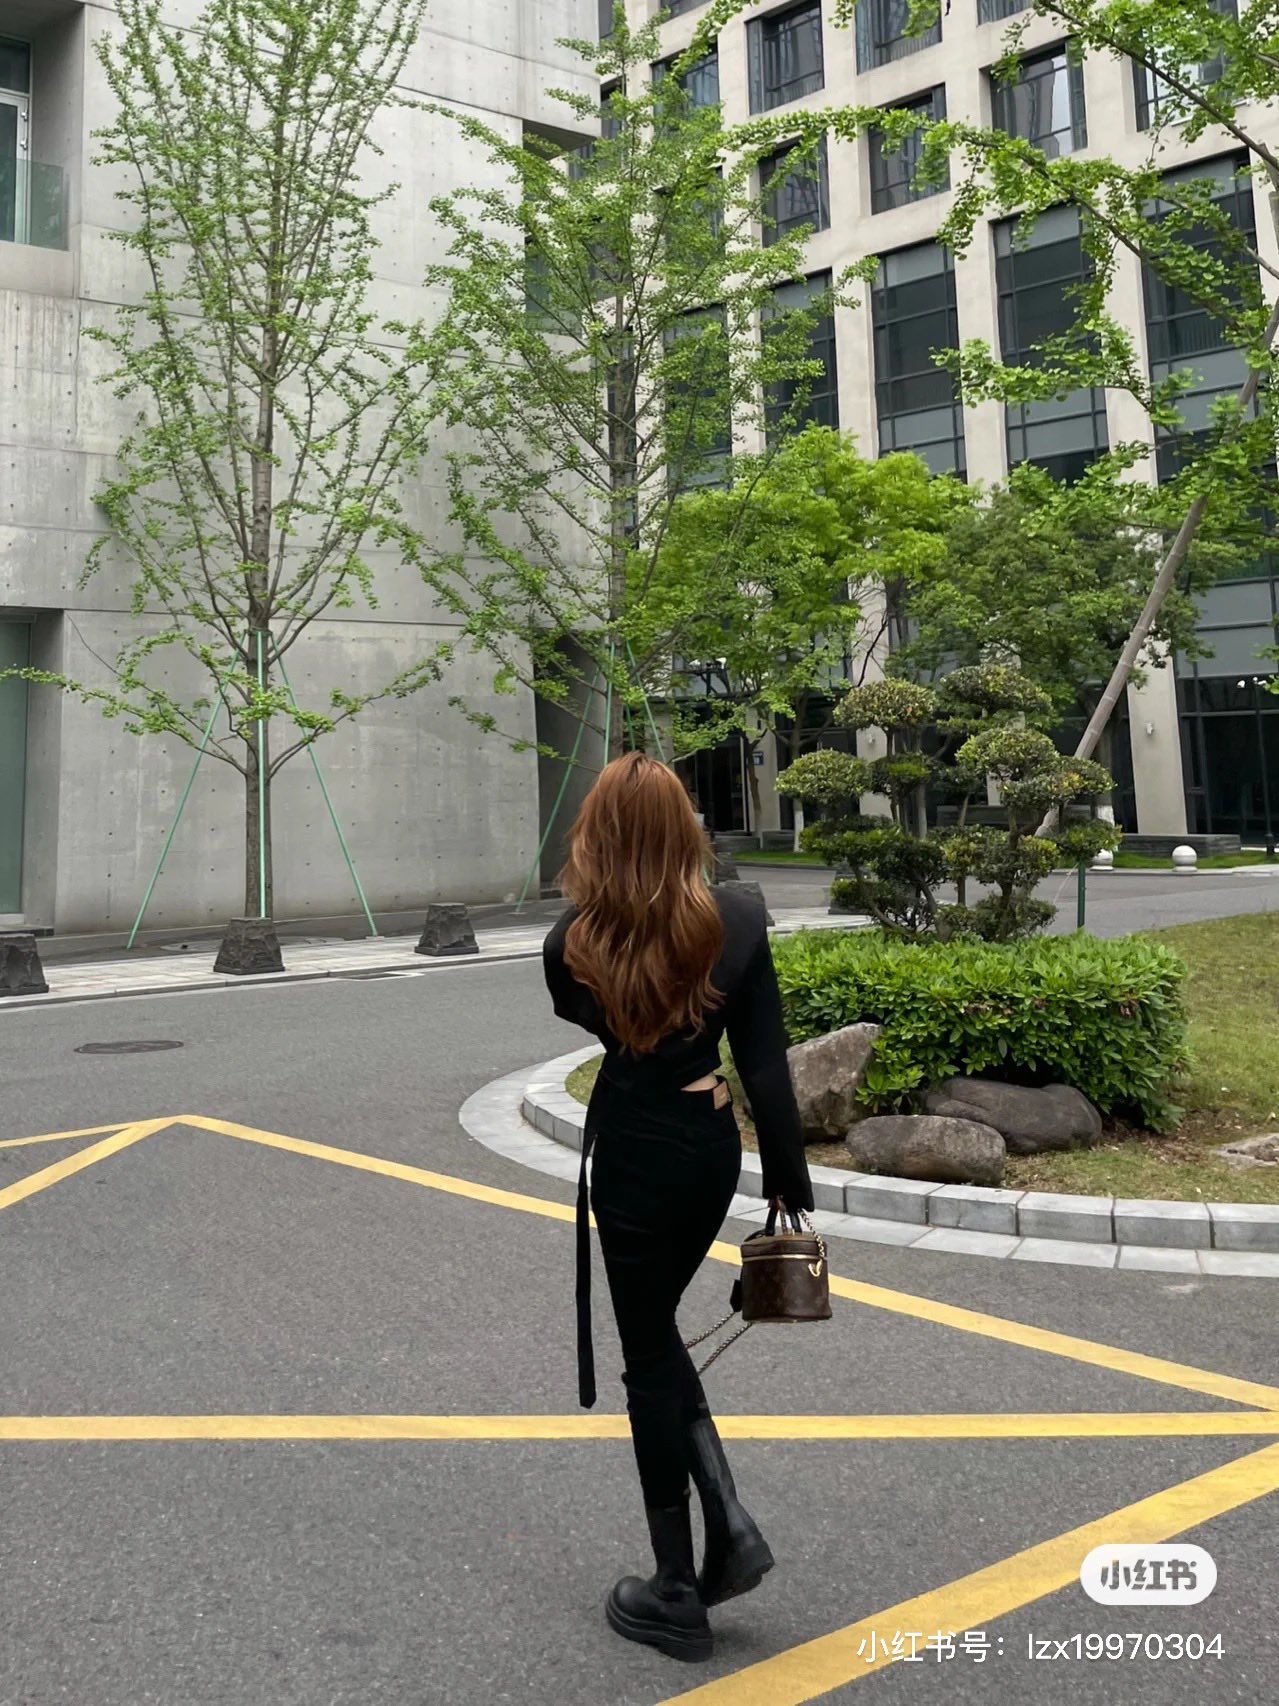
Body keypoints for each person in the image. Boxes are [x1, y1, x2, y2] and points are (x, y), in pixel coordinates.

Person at [542, 752, 814, 1665]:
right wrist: (788, 1182)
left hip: (631, 1151)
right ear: (681, 830)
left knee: (647, 1359)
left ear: (596, 836)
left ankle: (674, 1590)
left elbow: (603, 1029)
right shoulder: (736, 920)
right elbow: (764, 1060)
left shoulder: (568, 946)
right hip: (707, 1150)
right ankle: (727, 1526)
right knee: (657, 1342)